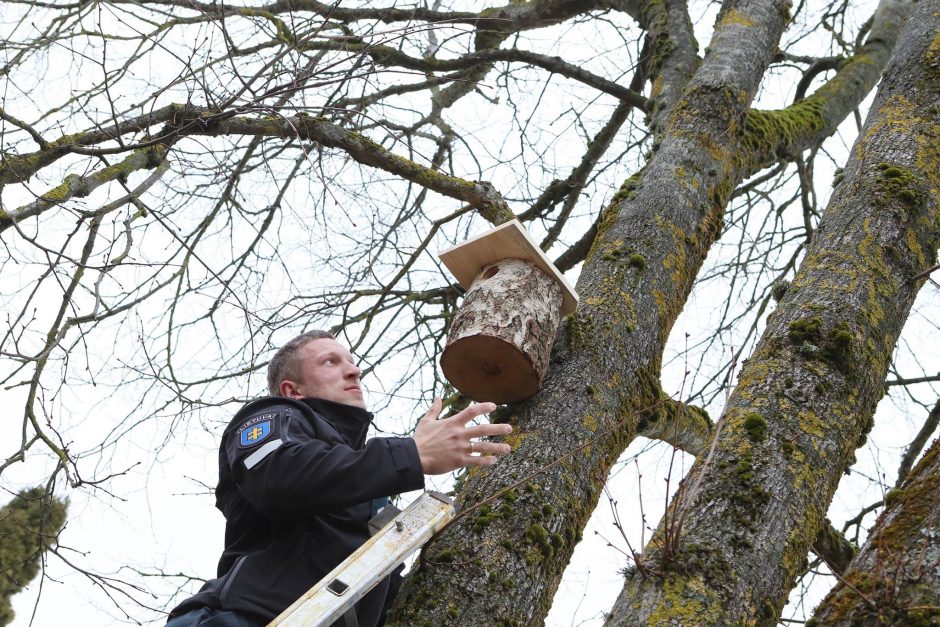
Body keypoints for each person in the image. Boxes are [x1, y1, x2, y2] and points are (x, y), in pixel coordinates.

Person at [166, 330, 512, 627]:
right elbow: (279, 477)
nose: (354, 371)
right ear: (292, 390)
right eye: (331, 362)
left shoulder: (367, 483)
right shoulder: (276, 414)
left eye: (351, 362)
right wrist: (411, 455)